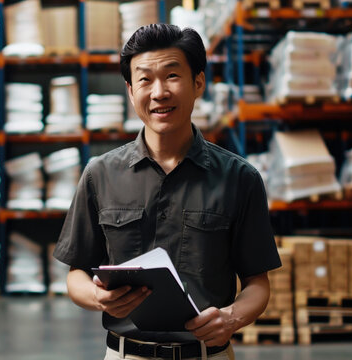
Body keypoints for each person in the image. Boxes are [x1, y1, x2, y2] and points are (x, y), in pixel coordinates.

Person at [53, 23, 281, 360]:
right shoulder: (100, 174)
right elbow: (76, 275)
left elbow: (257, 284)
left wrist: (231, 318)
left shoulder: (239, 178)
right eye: (145, 79)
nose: (159, 92)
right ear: (131, 91)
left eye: (172, 75)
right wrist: (98, 297)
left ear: (198, 82)